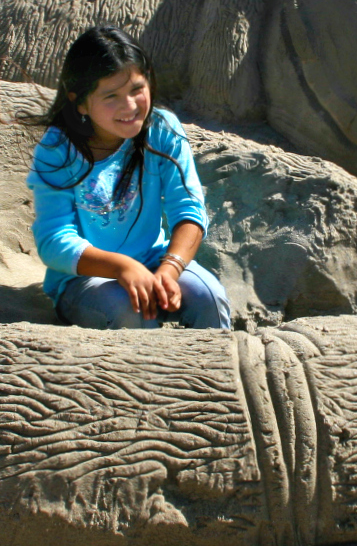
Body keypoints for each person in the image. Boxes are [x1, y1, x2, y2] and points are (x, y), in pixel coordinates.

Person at [27, 26, 232, 330]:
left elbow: (189, 209)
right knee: (129, 311)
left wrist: (170, 269)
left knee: (209, 297)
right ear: (80, 102)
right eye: (111, 96)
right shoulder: (57, 150)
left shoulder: (163, 129)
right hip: (84, 279)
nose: (130, 106)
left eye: (137, 89)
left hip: (153, 260)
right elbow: (54, 240)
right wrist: (122, 267)